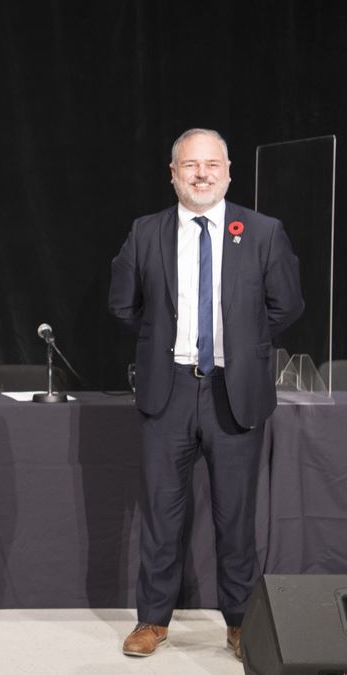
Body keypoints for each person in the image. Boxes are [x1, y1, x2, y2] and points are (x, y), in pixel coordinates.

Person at [109, 128, 303, 660]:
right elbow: (123, 304)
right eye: (190, 165)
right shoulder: (146, 231)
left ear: (228, 171)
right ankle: (152, 621)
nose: (201, 174)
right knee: (161, 515)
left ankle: (240, 625)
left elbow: (287, 303)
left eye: (211, 165)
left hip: (234, 392)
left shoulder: (262, 231)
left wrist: (243, 342)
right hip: (166, 389)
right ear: (173, 174)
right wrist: (160, 342)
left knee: (235, 517)